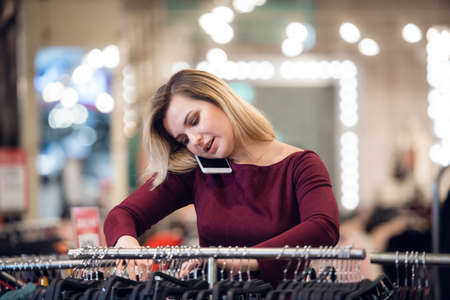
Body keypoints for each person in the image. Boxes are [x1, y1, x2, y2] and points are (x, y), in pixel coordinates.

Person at [103, 69, 340, 287]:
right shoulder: (195, 173)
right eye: (183, 139)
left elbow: (323, 227)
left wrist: (243, 260)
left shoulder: (300, 164)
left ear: (219, 99)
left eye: (194, 121)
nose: (194, 140)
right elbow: (122, 215)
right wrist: (127, 244)